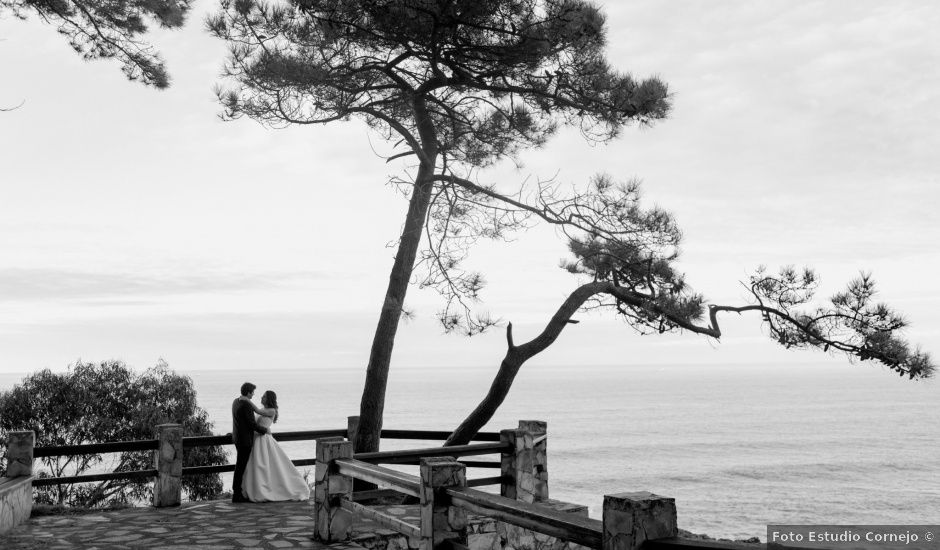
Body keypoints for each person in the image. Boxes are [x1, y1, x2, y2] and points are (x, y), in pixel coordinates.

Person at [241, 390, 311, 502]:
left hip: (263, 440)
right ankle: (254, 489)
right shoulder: (264, 410)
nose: (261, 398)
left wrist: (247, 400)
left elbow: (257, 410)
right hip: (256, 439)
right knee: (254, 465)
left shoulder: (272, 411)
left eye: (264, 396)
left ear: (269, 399)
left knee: (262, 465)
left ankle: (265, 490)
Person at [231, 382, 270, 503]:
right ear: (248, 392)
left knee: (240, 466)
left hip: (237, 438)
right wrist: (265, 430)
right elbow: (251, 424)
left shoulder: (235, 402)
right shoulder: (246, 405)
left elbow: (239, 421)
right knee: (241, 467)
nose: (253, 394)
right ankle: (237, 494)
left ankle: (238, 492)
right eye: (252, 392)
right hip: (245, 441)